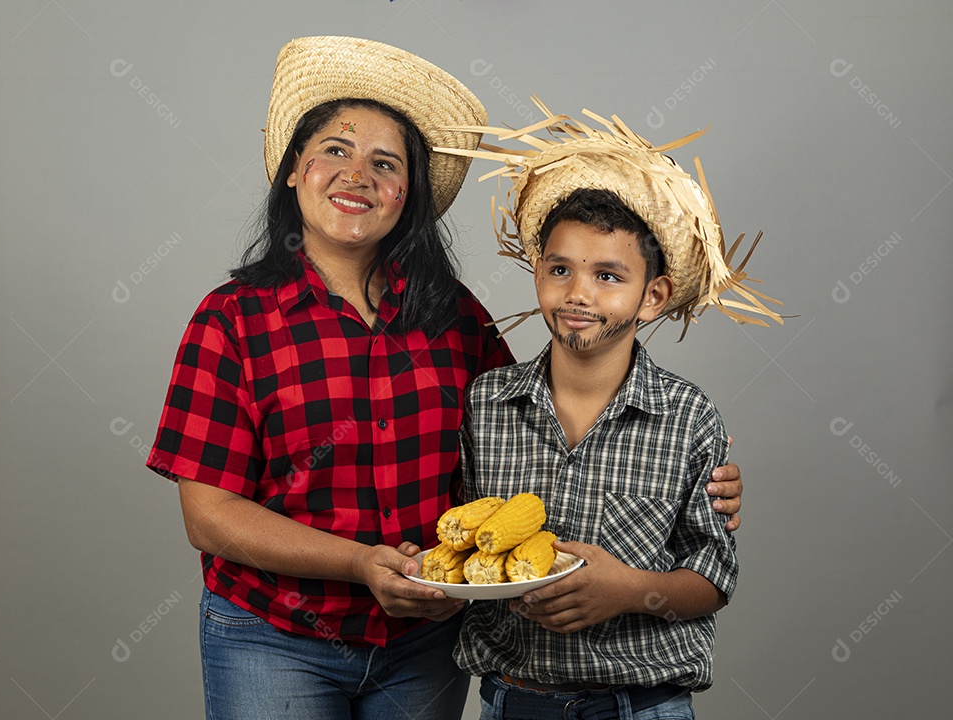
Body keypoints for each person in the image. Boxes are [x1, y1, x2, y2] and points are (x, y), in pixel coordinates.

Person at [144, 38, 745, 720]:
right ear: (293, 170)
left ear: (410, 193)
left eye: (385, 163)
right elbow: (209, 516)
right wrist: (360, 564)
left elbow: (538, 431)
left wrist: (694, 477)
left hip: (423, 643)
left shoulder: (456, 318)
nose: (357, 175)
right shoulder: (231, 322)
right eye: (335, 151)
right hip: (274, 634)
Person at [441, 106, 782, 719]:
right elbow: (458, 539)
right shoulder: (485, 404)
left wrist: (625, 590)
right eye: (560, 269)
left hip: (640, 705)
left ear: (653, 296)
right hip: (514, 702)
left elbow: (712, 580)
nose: (578, 294)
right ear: (538, 272)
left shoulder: (687, 417)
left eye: (608, 276)